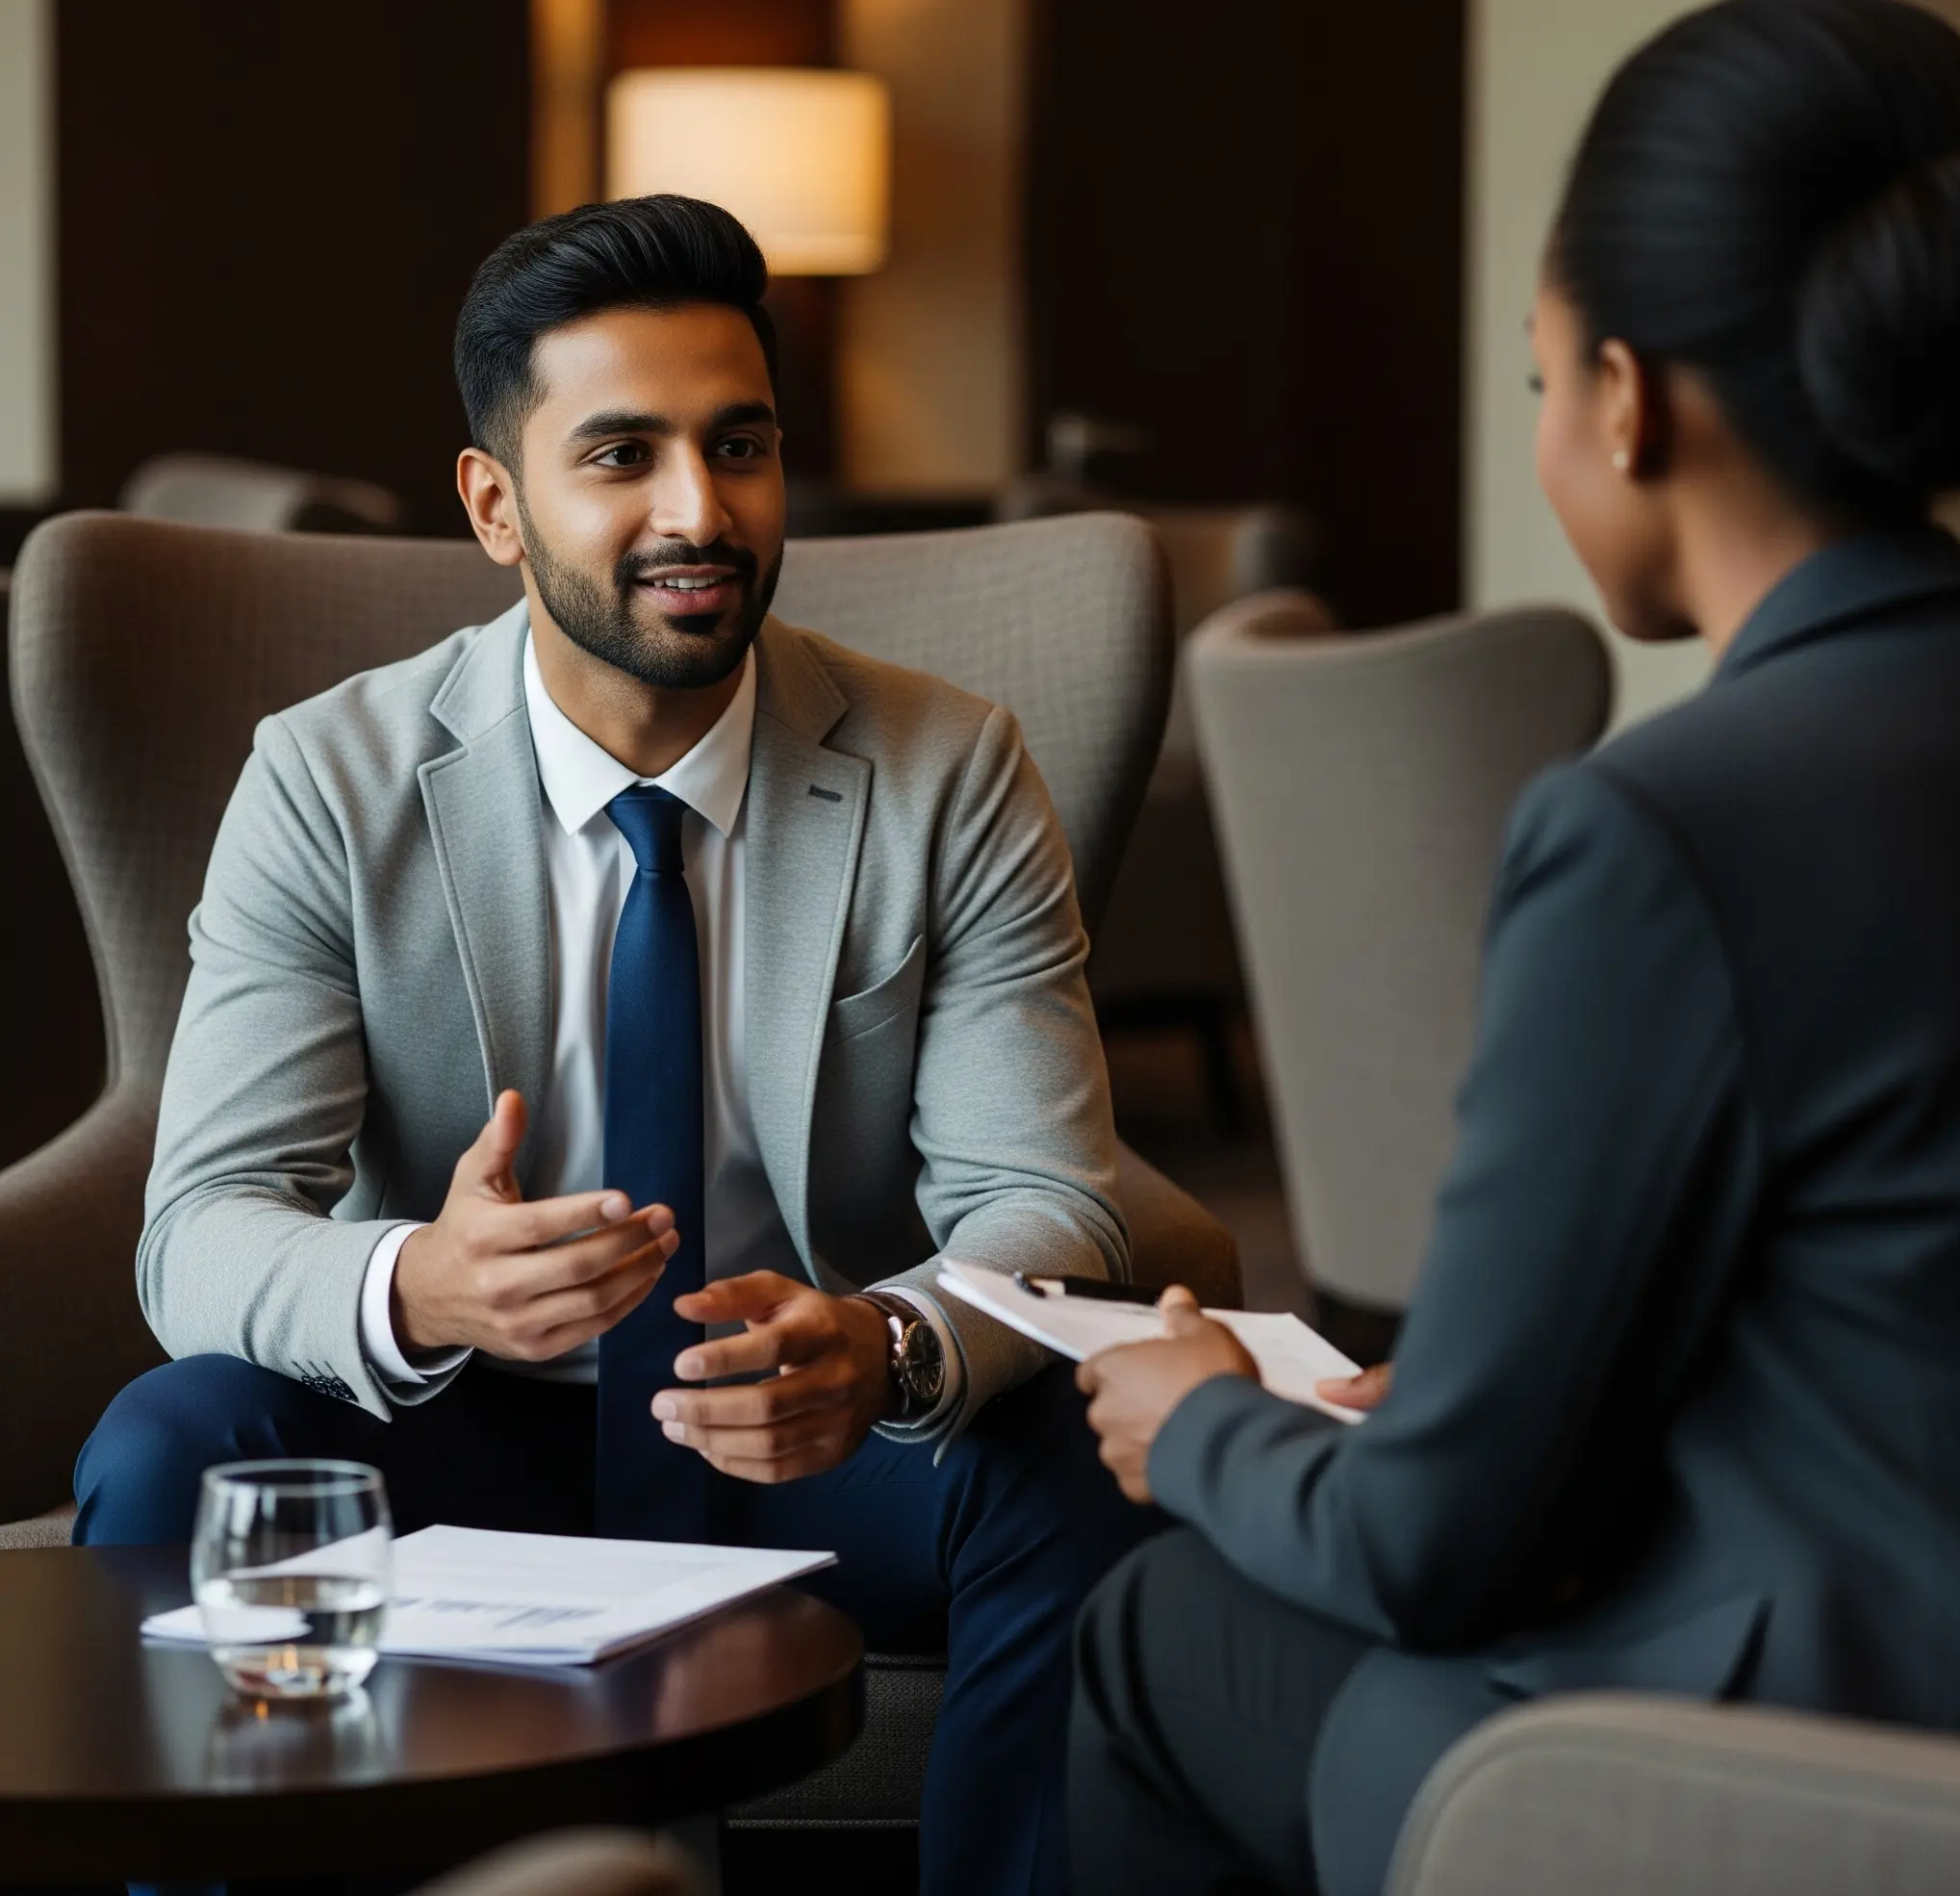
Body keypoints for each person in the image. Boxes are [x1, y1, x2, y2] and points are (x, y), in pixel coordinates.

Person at [73, 194, 1158, 1896]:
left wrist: (881, 1346)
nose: (698, 510)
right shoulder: (323, 777)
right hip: (457, 1439)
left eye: (739, 445)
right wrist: (423, 1284)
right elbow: (197, 1225)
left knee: (1078, 1469)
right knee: (168, 1439)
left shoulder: (950, 768)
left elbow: (1053, 1203)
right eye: (623, 454)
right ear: (495, 504)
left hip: (808, 1433)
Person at [1069, 0, 1960, 1896]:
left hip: (1825, 1770)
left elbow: (1435, 1549)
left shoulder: (1667, 828)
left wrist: (1207, 1425)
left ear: (1627, 400)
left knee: (1155, 1634)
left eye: (1542, 375)